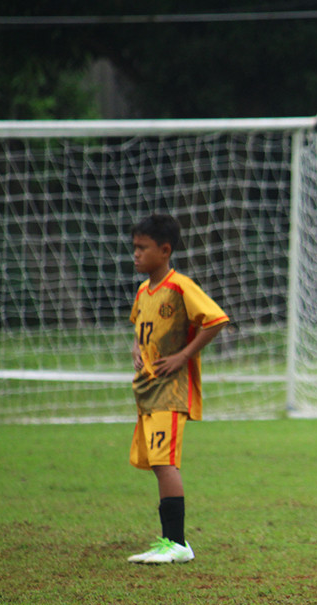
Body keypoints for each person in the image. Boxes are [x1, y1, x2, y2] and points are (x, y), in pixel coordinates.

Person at [125, 214, 229, 564]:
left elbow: (215, 320)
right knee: (157, 463)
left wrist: (183, 355)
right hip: (148, 391)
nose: (135, 254)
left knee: (165, 462)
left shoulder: (180, 286)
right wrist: (138, 350)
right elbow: (140, 330)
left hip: (171, 391)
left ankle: (177, 544)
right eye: (134, 247)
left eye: (143, 248)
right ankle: (171, 543)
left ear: (165, 250)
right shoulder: (143, 291)